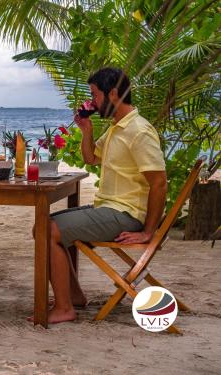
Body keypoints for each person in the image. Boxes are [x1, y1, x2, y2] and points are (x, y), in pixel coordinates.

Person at [34, 67, 167, 324]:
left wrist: (149, 231)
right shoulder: (118, 127)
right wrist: (86, 131)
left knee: (48, 229)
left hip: (125, 214)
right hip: (110, 209)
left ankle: (64, 307)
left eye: (95, 95)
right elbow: (90, 158)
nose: (92, 102)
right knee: (42, 226)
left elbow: (159, 183)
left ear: (113, 93)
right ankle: (72, 297)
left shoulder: (138, 130)